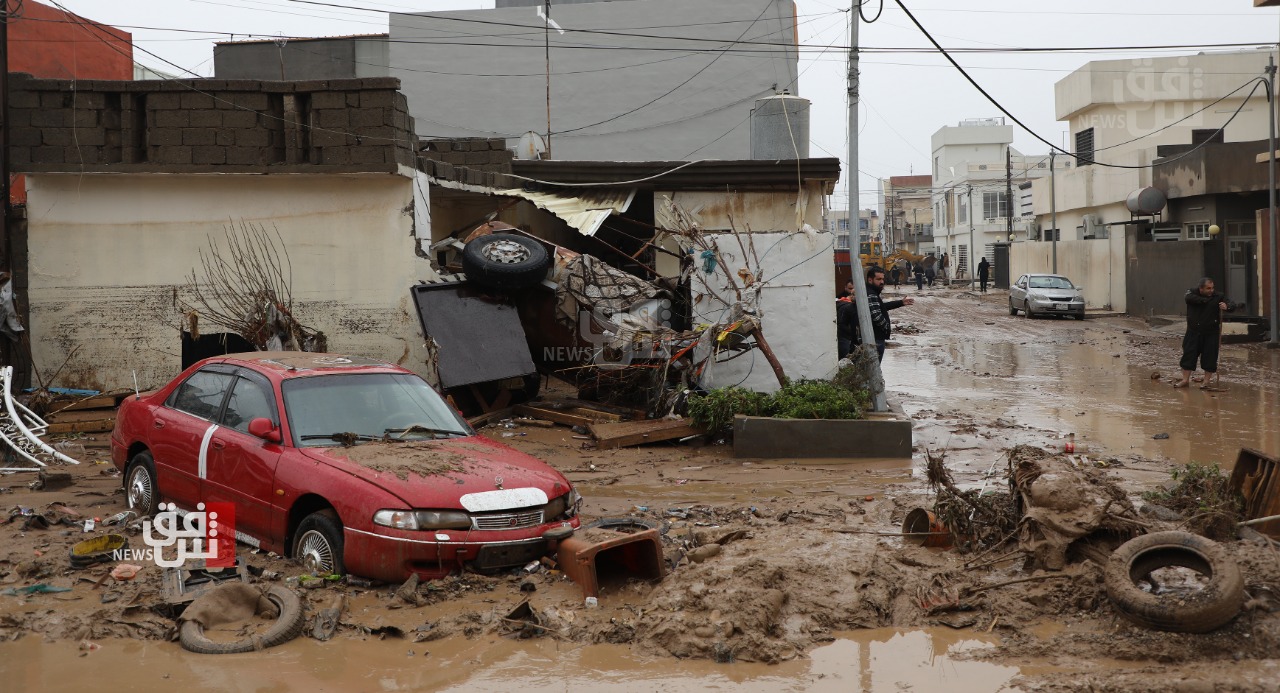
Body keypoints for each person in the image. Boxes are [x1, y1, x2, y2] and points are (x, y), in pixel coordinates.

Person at [1174, 277, 1236, 389]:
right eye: (1208, 288)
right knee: (1189, 355)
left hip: (1211, 332)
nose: (1211, 290)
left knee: (1210, 357)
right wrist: (1208, 301)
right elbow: (1189, 298)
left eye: (1212, 288)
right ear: (1201, 288)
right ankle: (1185, 380)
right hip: (1193, 332)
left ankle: (1206, 382)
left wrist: (1227, 306)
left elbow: (1231, 304)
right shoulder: (1191, 293)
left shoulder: (1218, 296)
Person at [855, 266, 914, 361]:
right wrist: (886, 327)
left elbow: (880, 307)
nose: (882, 282)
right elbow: (877, 316)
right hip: (876, 339)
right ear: (870, 280)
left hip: (872, 338)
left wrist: (900, 303)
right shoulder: (871, 294)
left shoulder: (870, 292)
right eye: (878, 279)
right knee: (874, 370)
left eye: (883, 279)